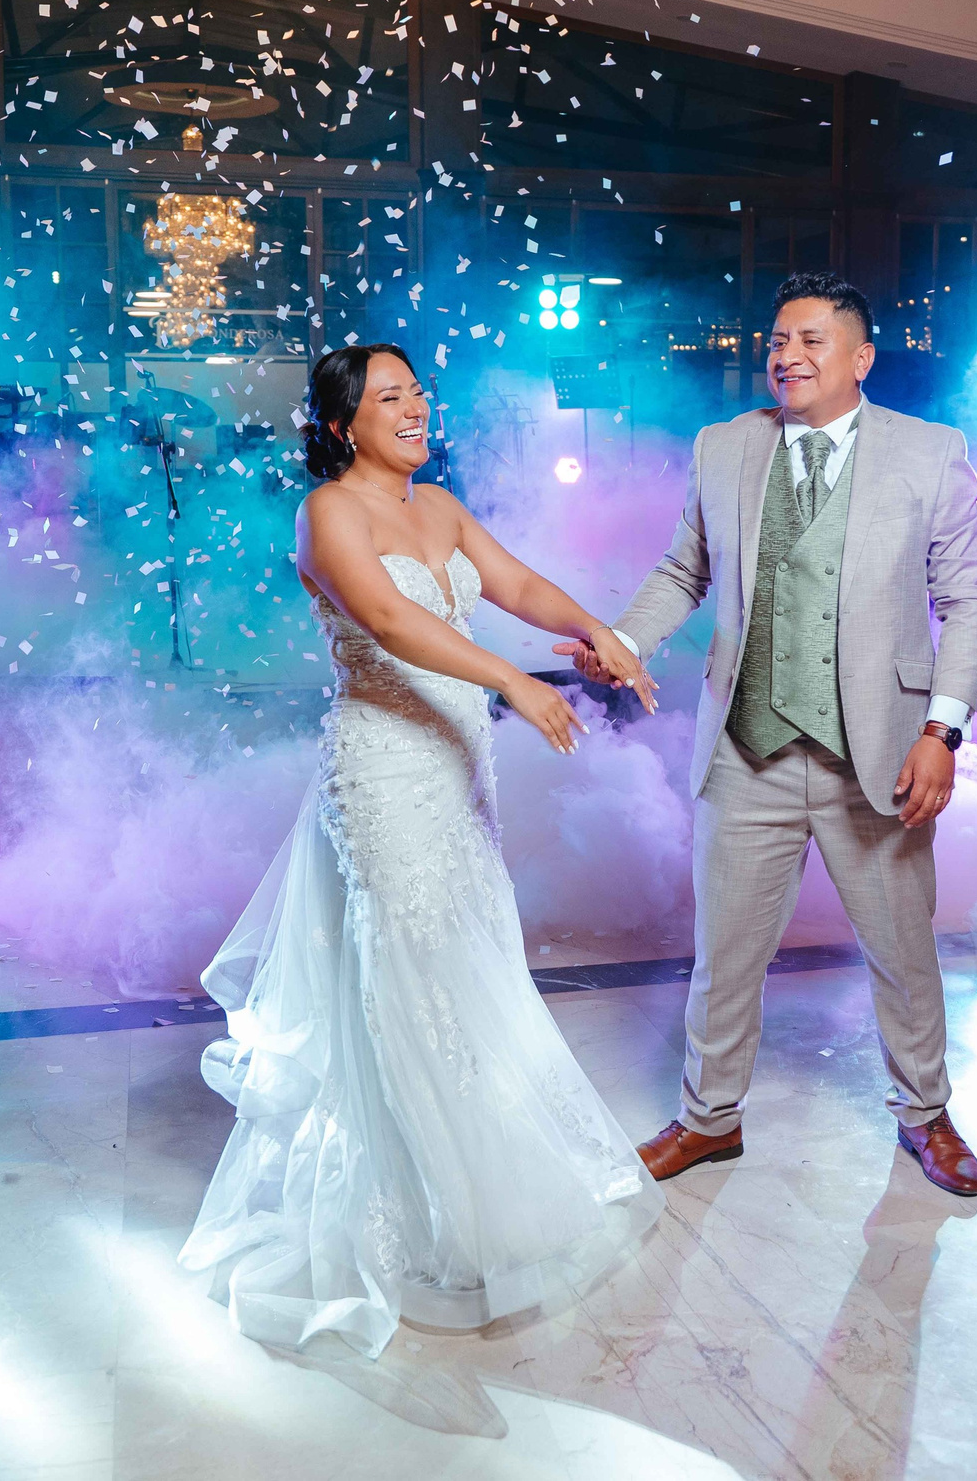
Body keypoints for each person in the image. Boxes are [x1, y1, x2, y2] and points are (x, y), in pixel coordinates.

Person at [180, 343, 664, 1357]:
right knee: (409, 974)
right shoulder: (328, 515)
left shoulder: (440, 508)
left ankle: (480, 1192)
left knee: (469, 957)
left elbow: (518, 584)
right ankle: (420, 1216)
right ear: (344, 423)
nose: (413, 407)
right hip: (386, 766)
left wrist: (591, 632)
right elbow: (393, 618)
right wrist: (519, 683)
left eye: (416, 392)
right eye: (388, 397)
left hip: (458, 768)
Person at [564, 271, 977, 1198]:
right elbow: (685, 567)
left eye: (809, 340)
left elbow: (967, 602)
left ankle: (926, 1114)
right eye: (777, 340)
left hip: (876, 754)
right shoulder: (725, 446)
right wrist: (624, 639)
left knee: (904, 951)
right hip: (746, 748)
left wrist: (942, 731)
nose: (786, 356)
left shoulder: (930, 454)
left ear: (860, 357)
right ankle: (708, 1118)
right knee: (725, 952)